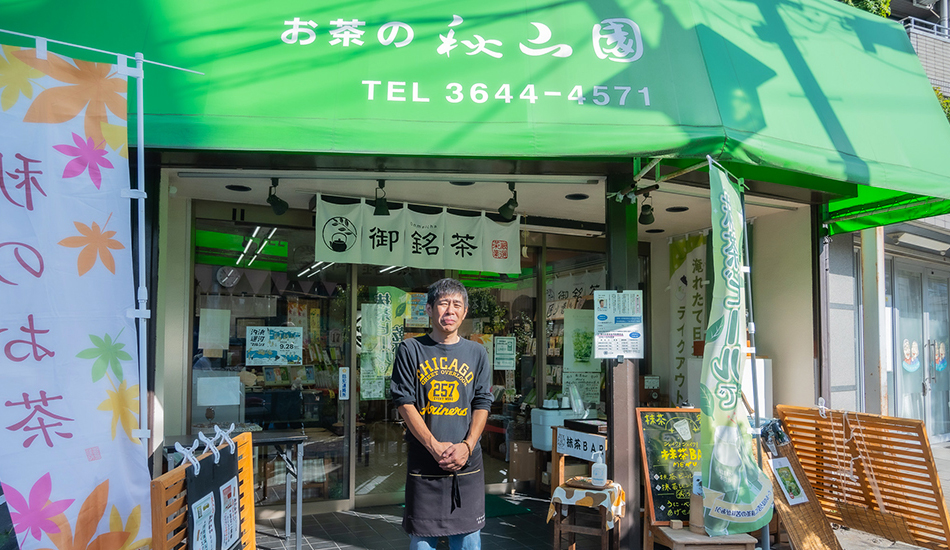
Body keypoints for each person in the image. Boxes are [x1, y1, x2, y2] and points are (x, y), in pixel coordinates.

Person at [390, 278, 492, 550]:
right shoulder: (410, 349)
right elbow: (404, 401)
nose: (450, 311)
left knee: (468, 540)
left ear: (465, 311)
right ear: (429, 309)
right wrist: (434, 446)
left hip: (467, 463)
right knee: (422, 542)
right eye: (443, 303)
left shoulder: (477, 353)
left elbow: (482, 403)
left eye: (457, 304)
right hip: (425, 461)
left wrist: (467, 447)